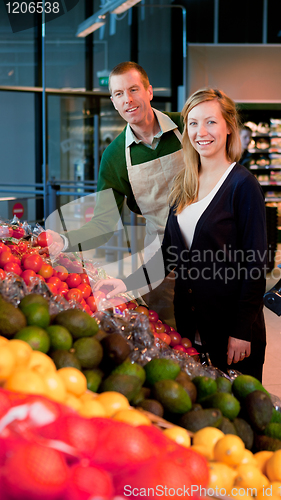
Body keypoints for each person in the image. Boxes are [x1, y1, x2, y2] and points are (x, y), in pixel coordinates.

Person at [93, 88, 268, 381]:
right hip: (190, 328)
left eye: (211, 122)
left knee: (237, 417)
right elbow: (167, 255)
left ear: (228, 127)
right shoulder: (184, 184)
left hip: (231, 331)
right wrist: (124, 283)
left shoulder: (242, 185)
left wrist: (241, 330)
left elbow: (255, 266)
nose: (202, 132)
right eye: (194, 123)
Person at [45, 61, 185, 325]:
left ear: (149, 91)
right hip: (163, 264)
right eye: (119, 94)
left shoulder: (187, 126)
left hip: (214, 250)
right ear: (113, 100)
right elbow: (104, 223)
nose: (128, 100)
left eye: (133, 90)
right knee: (176, 339)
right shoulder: (114, 157)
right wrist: (62, 241)